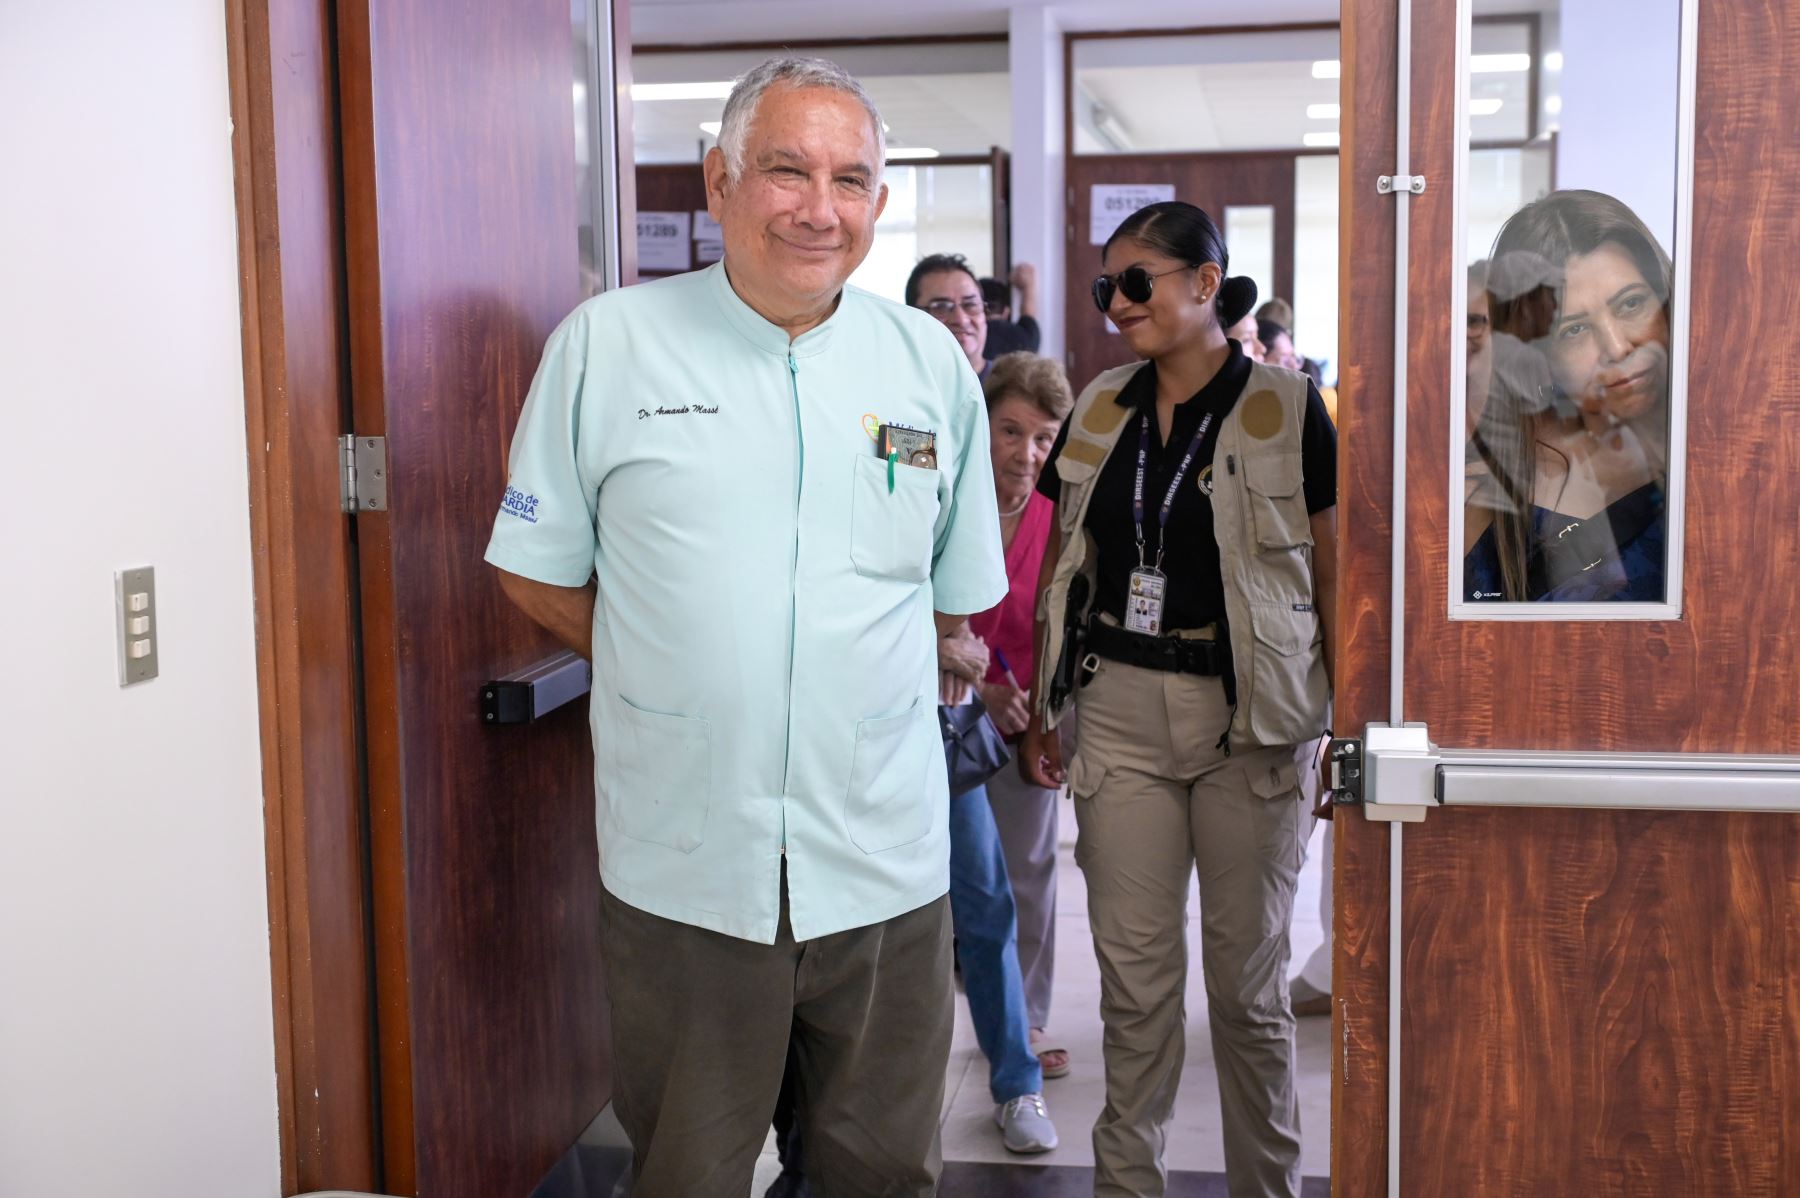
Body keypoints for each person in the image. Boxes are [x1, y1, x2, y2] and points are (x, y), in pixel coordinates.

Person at [484, 56, 1006, 1198]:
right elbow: (533, 567)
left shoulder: (925, 364)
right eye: (786, 169)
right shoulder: (607, 346)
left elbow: (952, 594)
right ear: (720, 181)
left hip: (884, 863)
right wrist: (657, 655)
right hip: (689, 864)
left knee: (879, 1174)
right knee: (689, 1170)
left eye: (853, 179)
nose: (822, 208)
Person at [1020, 200, 1337, 1198]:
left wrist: (1348, 725)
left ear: (1206, 282)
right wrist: (1037, 704)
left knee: (1246, 996)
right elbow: (1055, 558)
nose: (1117, 303)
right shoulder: (1101, 403)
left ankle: (1268, 1187)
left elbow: (1338, 579)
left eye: (1138, 281)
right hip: (1117, 708)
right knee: (1137, 994)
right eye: (1106, 286)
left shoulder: (1287, 409)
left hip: (1253, 721)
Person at [1464, 190, 1672, 603]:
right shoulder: (1496, 477)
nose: (1616, 348)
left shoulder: (1744, 446)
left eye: (1632, 304)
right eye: (1573, 330)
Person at [965, 352, 1078, 1083]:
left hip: (1030, 723)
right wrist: (978, 690)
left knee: (1029, 873)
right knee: (963, 882)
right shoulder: (943, 492)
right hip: (942, 711)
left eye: (1042, 438)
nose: (1026, 453)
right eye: (1010, 431)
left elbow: (1068, 624)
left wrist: (1044, 713)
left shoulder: (1061, 513)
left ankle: (1025, 1021)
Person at [908, 252, 989, 378]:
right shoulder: (898, 387)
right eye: (941, 307)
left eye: (970, 305)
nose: (961, 320)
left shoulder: (1014, 388)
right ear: (911, 316)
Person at [982, 262, 1043, 358]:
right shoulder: (1024, 338)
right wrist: (1028, 286)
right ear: (1006, 311)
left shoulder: (967, 336)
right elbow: (1028, 315)